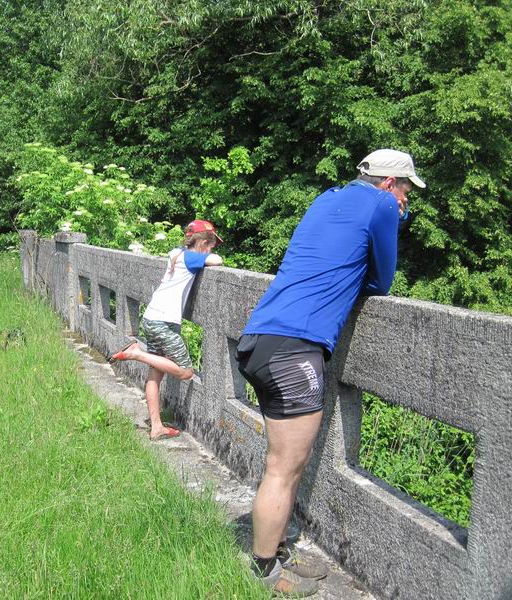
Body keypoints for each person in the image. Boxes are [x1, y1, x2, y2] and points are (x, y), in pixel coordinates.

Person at [236, 149, 425, 597]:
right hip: (295, 349)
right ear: (387, 184)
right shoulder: (381, 205)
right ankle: (263, 572)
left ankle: (278, 552)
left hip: (261, 337)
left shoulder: (326, 199)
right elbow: (382, 281)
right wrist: (394, 219)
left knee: (287, 463)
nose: (405, 199)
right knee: (283, 467)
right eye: (405, 190)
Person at [109, 219, 223, 440]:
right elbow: (216, 261)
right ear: (203, 242)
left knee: (155, 373)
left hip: (151, 318)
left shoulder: (176, 253)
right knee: (186, 372)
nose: (212, 248)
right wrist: (207, 254)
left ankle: (156, 427)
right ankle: (136, 353)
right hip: (164, 323)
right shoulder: (191, 258)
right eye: (211, 244)